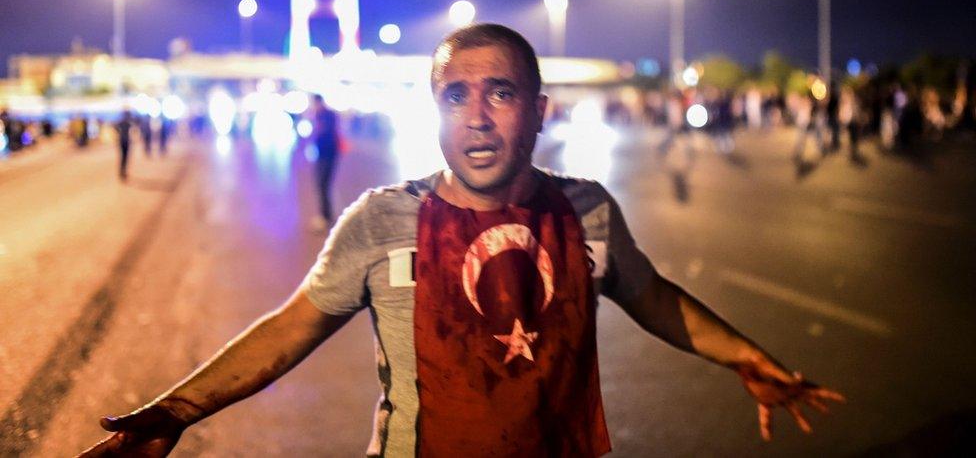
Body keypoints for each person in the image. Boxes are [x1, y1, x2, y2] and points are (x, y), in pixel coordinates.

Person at [80, 24, 843, 458]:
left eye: (501, 93)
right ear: (436, 111)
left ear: (540, 110)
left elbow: (652, 298)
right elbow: (287, 331)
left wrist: (745, 356)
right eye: (456, 95)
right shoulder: (383, 220)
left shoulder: (589, 212)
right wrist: (175, 411)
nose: (477, 116)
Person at [309, 93, 341, 231]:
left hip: (327, 155)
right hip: (325, 154)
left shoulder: (325, 115)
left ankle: (325, 217)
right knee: (322, 185)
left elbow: (324, 134)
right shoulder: (323, 115)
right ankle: (326, 215)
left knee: (323, 185)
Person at [115, 110, 134, 181]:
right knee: (125, 157)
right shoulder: (128, 122)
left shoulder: (121, 122)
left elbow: (115, 128)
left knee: (122, 157)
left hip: (121, 141)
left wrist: (119, 133)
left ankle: (122, 171)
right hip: (126, 141)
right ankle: (123, 171)